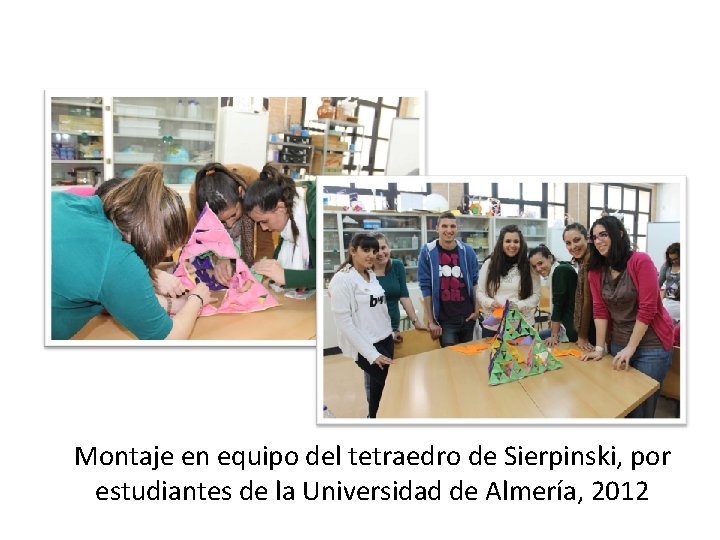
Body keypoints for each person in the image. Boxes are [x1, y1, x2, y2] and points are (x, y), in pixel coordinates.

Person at [51, 164, 212, 340]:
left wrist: (160, 287)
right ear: (153, 241)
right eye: (162, 254)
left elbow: (117, 289)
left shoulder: (69, 202)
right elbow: (168, 339)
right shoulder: (117, 259)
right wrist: (197, 299)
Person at [580, 216, 674, 419]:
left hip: (652, 346)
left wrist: (631, 348)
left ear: (619, 234)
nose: (598, 241)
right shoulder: (596, 272)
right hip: (619, 343)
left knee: (641, 411)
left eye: (603, 235)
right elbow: (600, 310)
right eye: (594, 237)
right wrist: (599, 348)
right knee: (620, 406)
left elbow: (648, 308)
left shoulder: (640, 261)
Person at [328, 233, 393, 418]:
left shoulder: (370, 274)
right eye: (366, 250)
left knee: (381, 389)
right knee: (386, 388)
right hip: (368, 346)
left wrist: (391, 333)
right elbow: (345, 323)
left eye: (374, 250)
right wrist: (372, 355)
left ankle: (376, 419)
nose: (371, 255)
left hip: (385, 339)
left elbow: (379, 310)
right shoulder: (343, 279)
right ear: (352, 250)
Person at [192, 163, 274, 286]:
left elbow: (265, 245)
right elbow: (201, 243)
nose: (229, 225)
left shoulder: (256, 188)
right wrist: (221, 256)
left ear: (241, 193)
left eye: (233, 215)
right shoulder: (198, 200)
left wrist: (256, 275)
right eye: (222, 221)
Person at [243, 164, 316, 290]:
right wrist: (258, 276)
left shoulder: (315, 212)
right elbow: (276, 262)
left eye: (264, 221)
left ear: (280, 208)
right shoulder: (289, 218)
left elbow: (335, 275)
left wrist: (285, 276)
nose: (264, 228)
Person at [418, 212, 479, 347]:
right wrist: (431, 320)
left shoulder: (467, 251)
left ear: (457, 229)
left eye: (453, 226)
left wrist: (476, 310)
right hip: (445, 321)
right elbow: (425, 287)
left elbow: (475, 282)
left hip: (467, 318)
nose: (449, 230)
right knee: (451, 359)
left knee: (468, 358)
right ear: (437, 228)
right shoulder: (427, 252)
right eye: (444, 226)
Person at [477, 224, 540, 335]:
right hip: (494, 327)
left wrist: (518, 306)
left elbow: (536, 295)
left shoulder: (529, 265)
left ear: (521, 244)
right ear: (501, 243)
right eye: (508, 241)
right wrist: (490, 303)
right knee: (490, 353)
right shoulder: (489, 264)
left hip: (522, 325)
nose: (512, 245)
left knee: (523, 353)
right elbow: (480, 292)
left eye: (516, 241)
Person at [372, 232, 425, 341]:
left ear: (389, 248)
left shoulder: (397, 266)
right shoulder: (364, 271)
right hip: (371, 331)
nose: (380, 253)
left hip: (393, 329)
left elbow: (404, 297)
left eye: (383, 248)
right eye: (375, 250)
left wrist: (416, 322)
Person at [528, 244, 578, 347]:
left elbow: (558, 305)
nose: (538, 268)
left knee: (531, 341)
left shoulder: (560, 270)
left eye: (540, 263)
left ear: (550, 258)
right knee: (530, 337)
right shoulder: (556, 270)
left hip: (570, 330)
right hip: (563, 326)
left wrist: (554, 336)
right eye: (534, 266)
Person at [563, 222, 596, 351]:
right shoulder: (583, 260)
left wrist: (582, 336)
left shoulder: (590, 259)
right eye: (568, 243)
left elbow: (588, 300)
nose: (573, 246)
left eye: (577, 240)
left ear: (587, 238)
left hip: (594, 326)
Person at [658, 242, 680, 322]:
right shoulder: (666, 265)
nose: (673, 261)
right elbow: (658, 283)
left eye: (676, 259)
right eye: (671, 259)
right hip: (667, 304)